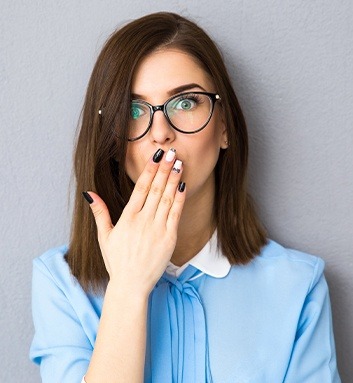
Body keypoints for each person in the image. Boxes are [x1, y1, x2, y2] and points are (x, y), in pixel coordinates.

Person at [30, 11, 341, 383]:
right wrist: (128, 289)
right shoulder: (61, 283)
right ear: (112, 142)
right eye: (133, 110)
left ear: (224, 126)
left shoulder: (299, 286)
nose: (160, 133)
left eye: (185, 103)